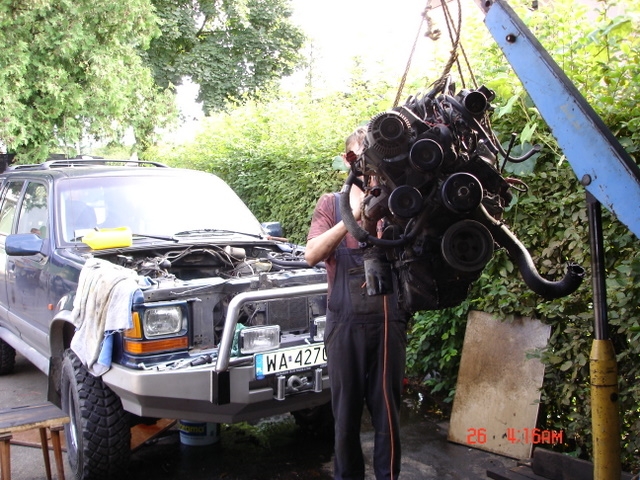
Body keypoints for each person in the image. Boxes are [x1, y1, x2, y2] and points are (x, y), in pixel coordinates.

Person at [305, 127, 409, 480]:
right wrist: (352, 218)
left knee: (387, 416)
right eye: (360, 157)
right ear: (348, 161)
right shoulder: (330, 204)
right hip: (344, 325)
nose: (368, 165)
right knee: (345, 417)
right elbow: (311, 254)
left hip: (388, 322)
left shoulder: (400, 201)